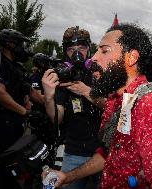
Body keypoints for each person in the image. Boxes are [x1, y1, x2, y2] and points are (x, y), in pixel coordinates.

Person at [42, 23, 152, 188]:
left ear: (131, 58)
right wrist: (67, 176)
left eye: (104, 51)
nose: (93, 59)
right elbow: (111, 153)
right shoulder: (123, 100)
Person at [42, 26, 104, 189]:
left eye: (82, 48)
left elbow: (113, 107)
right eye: (71, 49)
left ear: (89, 49)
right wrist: (48, 97)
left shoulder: (100, 72)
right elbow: (57, 117)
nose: (77, 53)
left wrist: (86, 91)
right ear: (65, 52)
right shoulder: (63, 76)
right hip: (74, 151)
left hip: (103, 151)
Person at [0, 29, 44, 189]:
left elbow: (30, 91)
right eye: (21, 44)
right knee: (1, 164)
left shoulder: (17, 66)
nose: (23, 48)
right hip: (1, 123)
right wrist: (26, 112)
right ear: (10, 44)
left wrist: (49, 105)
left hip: (16, 122)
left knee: (16, 162)